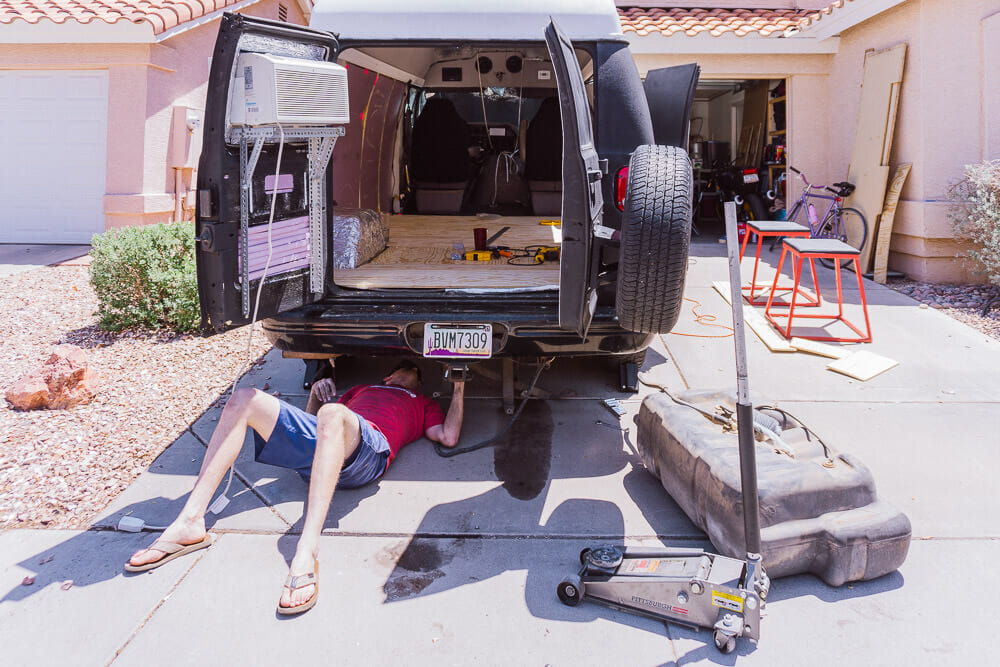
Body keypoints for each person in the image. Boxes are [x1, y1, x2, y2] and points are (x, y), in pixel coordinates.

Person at [125, 359, 464, 614]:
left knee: (333, 413)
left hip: (369, 454)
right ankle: (190, 521)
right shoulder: (361, 391)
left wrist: (460, 389)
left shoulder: (423, 404)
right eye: (407, 372)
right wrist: (315, 399)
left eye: (416, 376)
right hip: (326, 446)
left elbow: (447, 437)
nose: (412, 376)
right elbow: (318, 429)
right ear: (387, 377)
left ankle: (307, 550)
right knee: (244, 397)